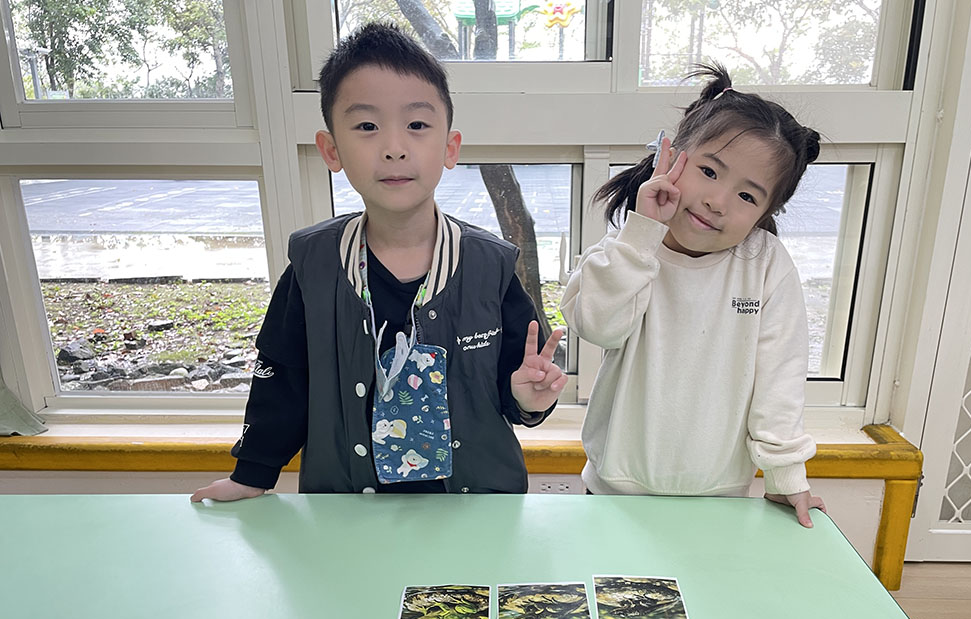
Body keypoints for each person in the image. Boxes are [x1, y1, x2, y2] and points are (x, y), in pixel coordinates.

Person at [192, 22, 565, 502]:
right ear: (331, 150)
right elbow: (282, 382)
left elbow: (518, 389)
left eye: (417, 125)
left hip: (474, 511)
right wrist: (251, 475)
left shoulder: (490, 266)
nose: (394, 147)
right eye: (367, 126)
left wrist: (529, 400)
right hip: (348, 511)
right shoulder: (312, 266)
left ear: (450, 147)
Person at [560, 63, 826, 527]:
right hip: (613, 494)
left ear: (767, 211)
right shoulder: (629, 246)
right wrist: (641, 234)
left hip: (719, 497)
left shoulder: (765, 264)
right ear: (670, 157)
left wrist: (785, 475)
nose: (717, 201)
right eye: (708, 171)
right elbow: (597, 327)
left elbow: (779, 379)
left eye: (748, 197)